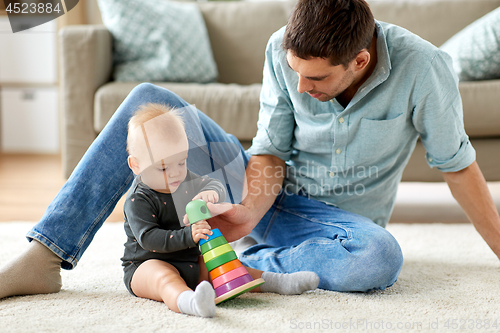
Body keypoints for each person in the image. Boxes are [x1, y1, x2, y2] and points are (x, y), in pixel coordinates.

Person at [1, 0, 499, 299]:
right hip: (259, 187)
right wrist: (247, 209)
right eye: (295, 72)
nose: (302, 87)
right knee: (148, 100)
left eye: (317, 78)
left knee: (379, 259)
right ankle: (46, 256)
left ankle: (242, 265)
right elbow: (269, 150)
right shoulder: (281, 48)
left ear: (360, 60)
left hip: (336, 222)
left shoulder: (424, 69)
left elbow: (458, 168)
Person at [121, 103, 318, 317]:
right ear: (136, 165)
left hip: (190, 260)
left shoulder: (183, 179)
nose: (176, 173)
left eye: (181, 162)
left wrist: (211, 193)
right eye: (163, 167)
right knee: (164, 278)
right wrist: (189, 235)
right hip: (146, 264)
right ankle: (191, 303)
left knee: (228, 266)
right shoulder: (137, 200)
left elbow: (210, 183)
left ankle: (279, 282)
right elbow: (149, 238)